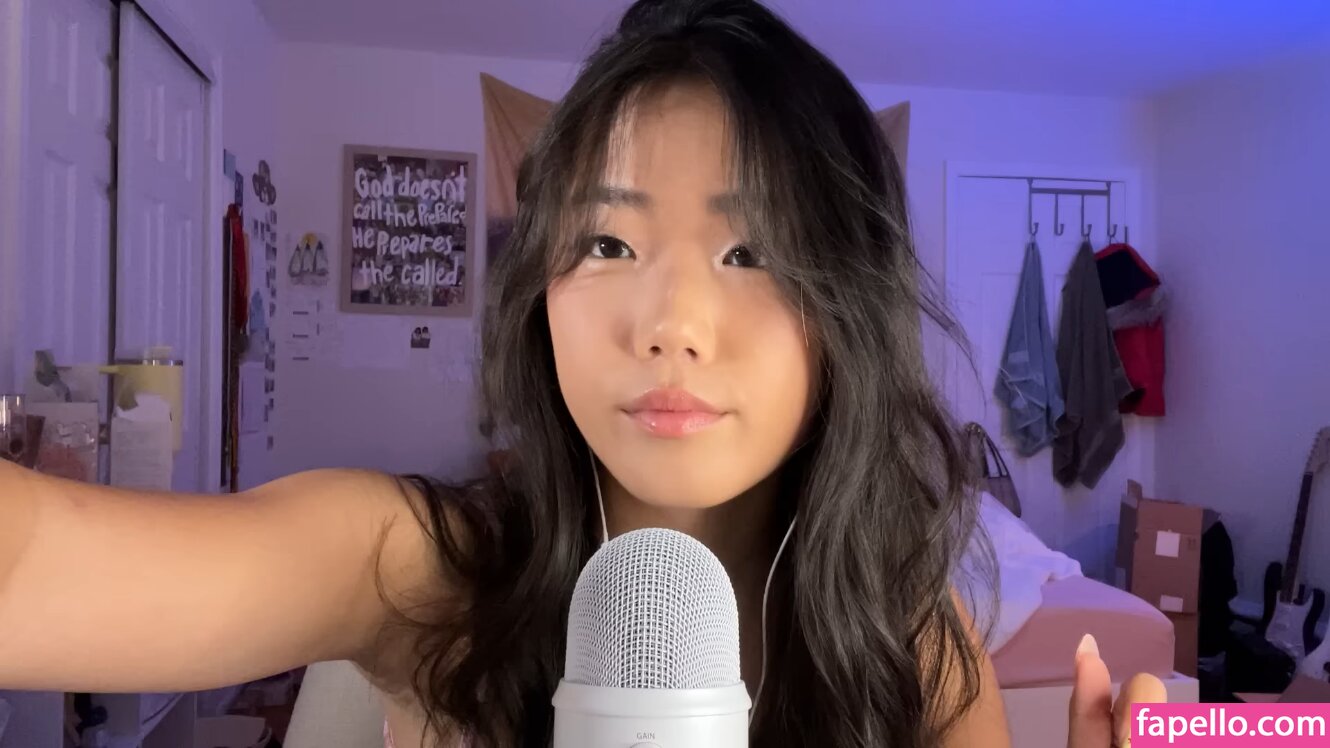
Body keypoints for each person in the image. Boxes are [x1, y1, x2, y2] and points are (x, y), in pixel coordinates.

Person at [0, 1, 1166, 746]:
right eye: (607, 243)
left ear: (845, 306)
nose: (670, 325)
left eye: (751, 251)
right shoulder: (422, 567)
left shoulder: (909, 634)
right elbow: (34, 565)